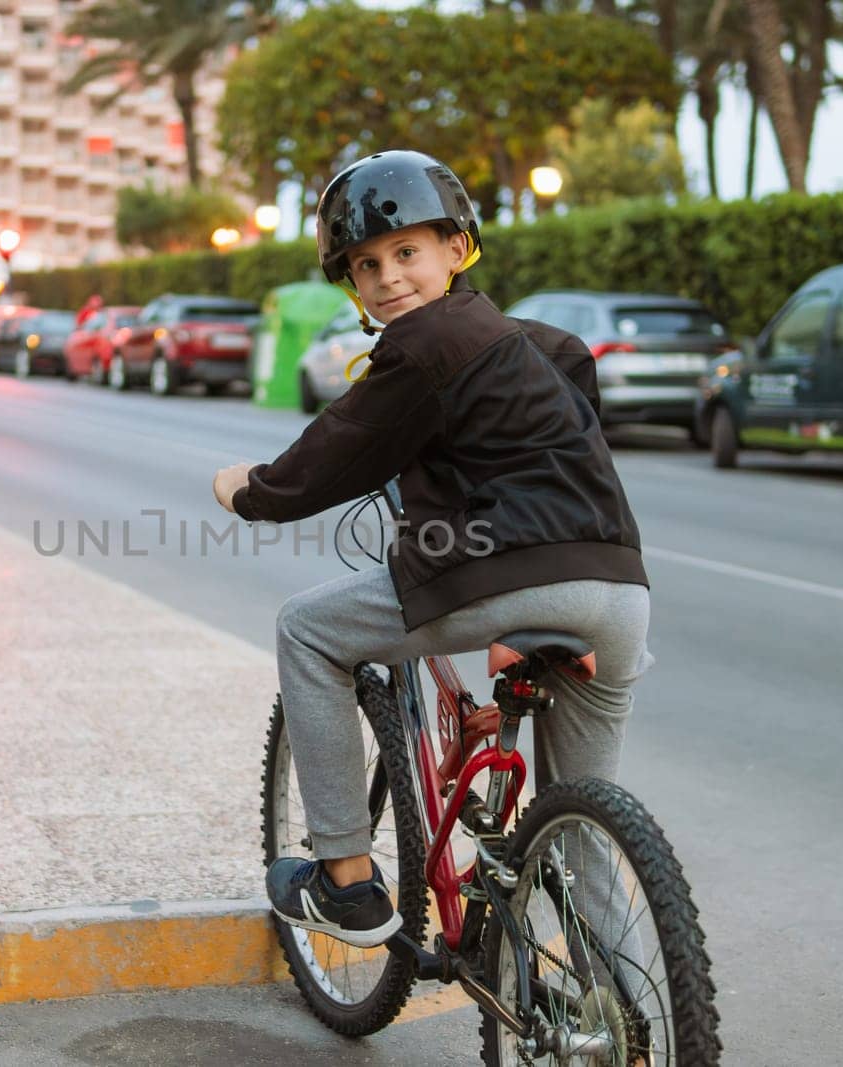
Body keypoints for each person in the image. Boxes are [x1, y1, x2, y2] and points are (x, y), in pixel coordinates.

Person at [211, 150, 654, 949]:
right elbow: (566, 415)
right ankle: (623, 1018)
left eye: (407, 251)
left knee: (306, 629)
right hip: (617, 591)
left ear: (458, 248)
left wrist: (248, 488)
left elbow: (335, 456)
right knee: (585, 826)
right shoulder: (541, 344)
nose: (387, 278)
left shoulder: (424, 344)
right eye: (366, 265)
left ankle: (345, 882)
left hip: (506, 568)